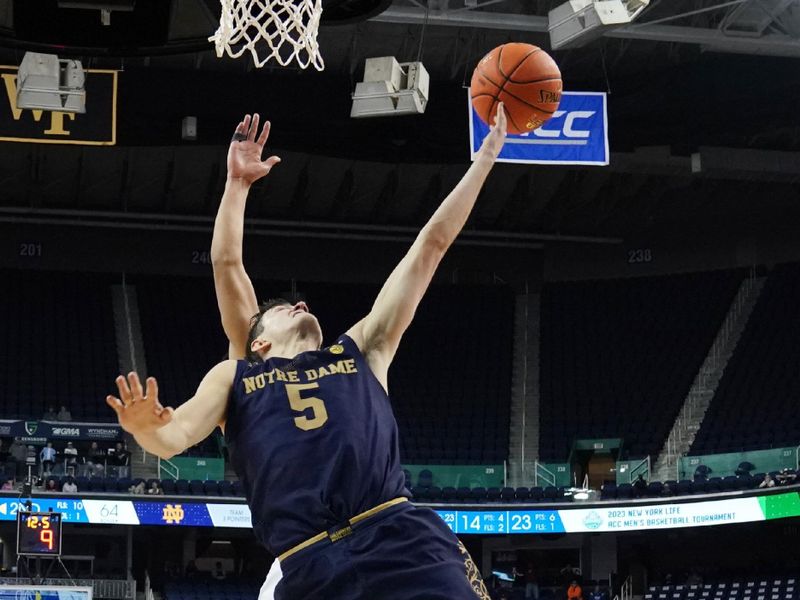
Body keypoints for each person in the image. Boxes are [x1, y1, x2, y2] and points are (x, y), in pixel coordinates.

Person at [106, 108, 507, 600]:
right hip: (310, 562)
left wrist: (486, 158)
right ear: (258, 342)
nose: (299, 303)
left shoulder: (364, 349)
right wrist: (143, 424)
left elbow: (431, 246)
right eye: (280, 308)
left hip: (401, 539)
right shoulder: (237, 377)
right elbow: (174, 435)